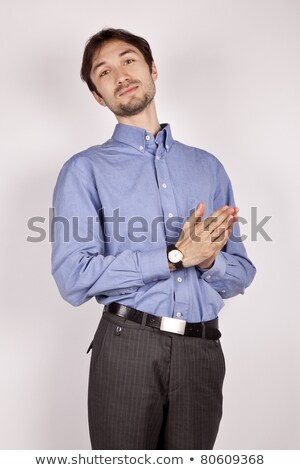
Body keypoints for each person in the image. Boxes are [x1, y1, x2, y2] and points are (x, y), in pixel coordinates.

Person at [51, 28, 256, 450]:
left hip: (202, 355)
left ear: (152, 68)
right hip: (128, 348)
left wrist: (207, 260)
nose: (120, 75)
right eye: (103, 71)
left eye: (129, 60)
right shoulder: (84, 170)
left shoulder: (208, 167)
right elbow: (73, 277)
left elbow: (240, 275)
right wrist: (177, 254)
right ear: (97, 96)